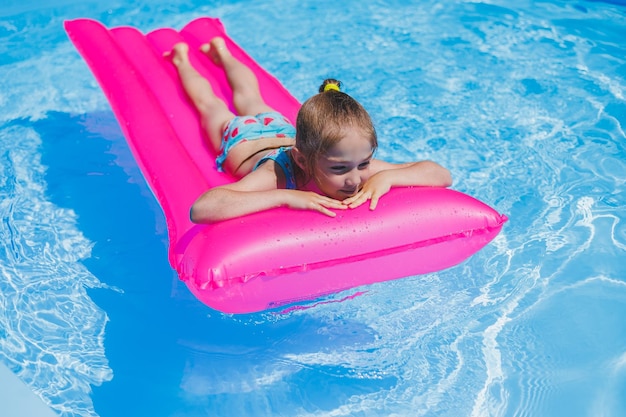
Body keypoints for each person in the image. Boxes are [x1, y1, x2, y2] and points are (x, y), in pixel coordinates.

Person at [166, 38, 452, 223]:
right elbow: (202, 208)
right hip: (242, 138)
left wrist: (388, 177)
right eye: (339, 169)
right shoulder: (278, 174)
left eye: (363, 164)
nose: (355, 179)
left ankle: (222, 53)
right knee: (210, 105)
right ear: (302, 160)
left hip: (279, 129)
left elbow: (441, 174)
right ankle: (182, 59)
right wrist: (286, 196)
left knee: (250, 96)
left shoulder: (353, 163)